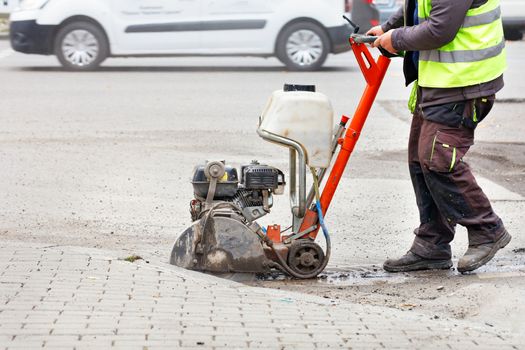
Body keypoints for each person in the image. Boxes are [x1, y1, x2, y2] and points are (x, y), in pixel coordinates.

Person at [367, 0, 512, 273]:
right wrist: (389, 27)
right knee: (420, 160)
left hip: (465, 83)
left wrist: (395, 38)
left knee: (438, 160)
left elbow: (440, 29)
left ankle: (487, 229)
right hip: (441, 81)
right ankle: (431, 245)